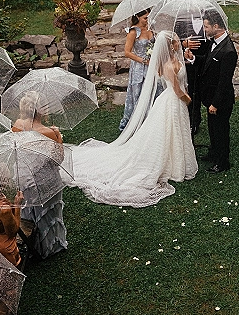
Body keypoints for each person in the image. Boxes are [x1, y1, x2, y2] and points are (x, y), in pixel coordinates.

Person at [66, 31, 197, 207]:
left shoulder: (174, 60)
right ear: (169, 46)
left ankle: (176, 163)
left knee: (175, 132)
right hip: (172, 101)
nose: (178, 44)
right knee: (168, 132)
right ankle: (171, 167)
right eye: (175, 42)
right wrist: (188, 100)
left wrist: (186, 58)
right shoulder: (167, 65)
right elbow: (177, 90)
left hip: (173, 101)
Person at [12, 91, 67, 258]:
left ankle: (29, 244)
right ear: (40, 110)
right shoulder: (47, 132)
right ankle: (47, 246)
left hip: (24, 176)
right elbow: (58, 159)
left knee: (28, 210)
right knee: (48, 214)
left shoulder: (17, 124)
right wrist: (58, 136)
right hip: (44, 180)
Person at [185, 9, 237, 173]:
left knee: (221, 131)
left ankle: (222, 162)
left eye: (206, 27)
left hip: (220, 100)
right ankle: (214, 153)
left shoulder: (228, 51)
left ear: (216, 26)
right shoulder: (213, 42)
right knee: (213, 129)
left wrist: (215, 103)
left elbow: (224, 81)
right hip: (210, 98)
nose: (204, 30)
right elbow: (206, 62)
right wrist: (193, 58)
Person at [119, 9, 155, 131]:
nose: (147, 20)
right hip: (140, 66)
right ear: (138, 17)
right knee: (139, 93)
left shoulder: (151, 29)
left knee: (153, 91)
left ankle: (152, 120)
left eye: (148, 17)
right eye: (145, 18)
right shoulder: (133, 32)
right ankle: (138, 123)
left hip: (152, 65)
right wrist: (143, 60)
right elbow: (127, 52)